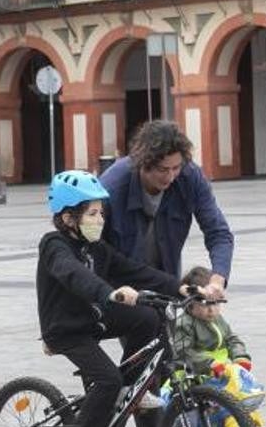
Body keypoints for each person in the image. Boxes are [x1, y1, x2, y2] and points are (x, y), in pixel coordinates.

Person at [38, 170, 203, 427]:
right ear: (69, 218)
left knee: (147, 317)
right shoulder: (54, 245)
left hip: (93, 319)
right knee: (107, 380)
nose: (100, 220)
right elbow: (73, 275)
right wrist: (109, 293)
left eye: (101, 213)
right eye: (92, 214)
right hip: (66, 329)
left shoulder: (96, 248)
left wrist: (180, 287)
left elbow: (135, 270)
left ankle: (131, 387)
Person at [99, 120, 232, 295]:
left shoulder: (190, 177)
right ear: (143, 164)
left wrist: (217, 280)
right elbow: (95, 249)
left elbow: (218, 232)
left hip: (168, 281)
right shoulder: (112, 187)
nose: (170, 177)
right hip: (122, 288)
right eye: (162, 170)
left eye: (176, 168)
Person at [170, 266, 266, 427]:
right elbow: (183, 351)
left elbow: (232, 339)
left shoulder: (218, 320)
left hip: (220, 376)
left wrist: (240, 356)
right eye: (205, 304)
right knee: (195, 416)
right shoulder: (185, 323)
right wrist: (209, 363)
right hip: (195, 378)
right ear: (189, 303)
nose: (211, 309)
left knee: (235, 401)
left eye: (215, 303)